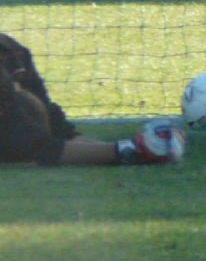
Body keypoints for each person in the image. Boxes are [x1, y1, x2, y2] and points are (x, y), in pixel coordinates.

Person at [0, 33, 184, 167]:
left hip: (20, 138)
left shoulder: (14, 53)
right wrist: (131, 151)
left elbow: (58, 129)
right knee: (26, 104)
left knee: (30, 103)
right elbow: (37, 147)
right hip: (18, 142)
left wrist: (132, 148)